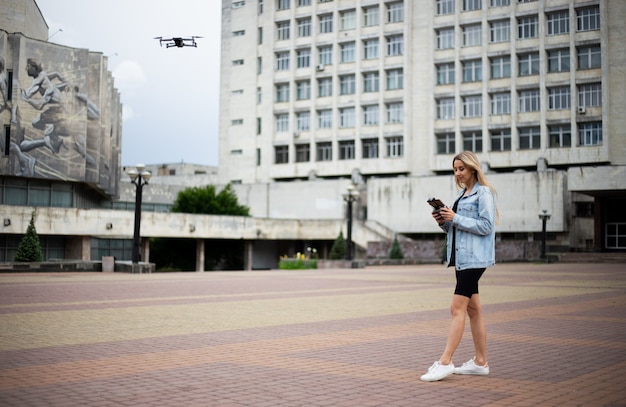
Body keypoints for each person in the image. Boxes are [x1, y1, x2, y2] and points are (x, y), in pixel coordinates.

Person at [420, 151, 497, 382]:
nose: (458, 173)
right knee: (473, 310)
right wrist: (444, 222)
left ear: (473, 168)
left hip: (475, 259)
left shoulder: (484, 193)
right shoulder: (461, 195)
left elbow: (486, 226)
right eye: (455, 169)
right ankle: (480, 362)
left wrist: (456, 218)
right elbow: (456, 227)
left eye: (461, 169)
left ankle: (445, 361)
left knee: (456, 309)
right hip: (461, 258)